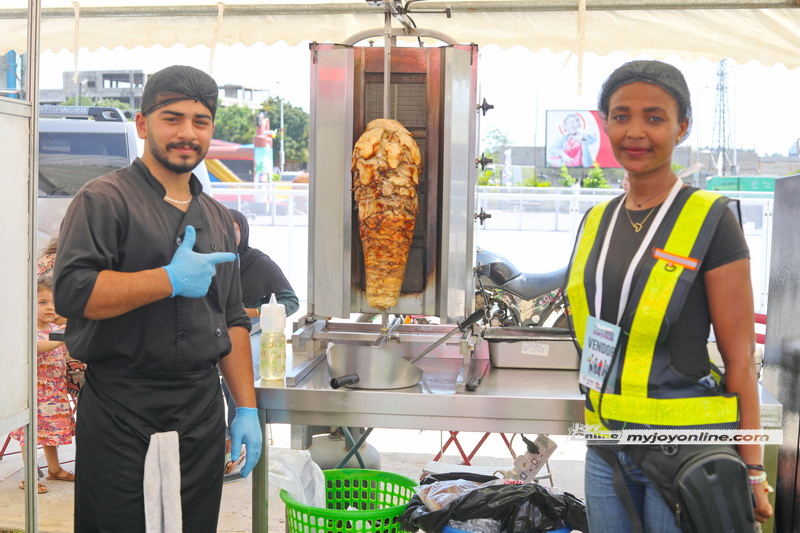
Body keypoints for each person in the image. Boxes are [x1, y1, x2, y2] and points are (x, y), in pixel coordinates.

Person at [564, 60, 773, 531]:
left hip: (685, 452)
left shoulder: (710, 219)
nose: (636, 132)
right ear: (606, 124)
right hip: (607, 448)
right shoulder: (596, 221)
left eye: (654, 117)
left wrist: (754, 469)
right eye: (621, 116)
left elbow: (740, 359)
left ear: (682, 128)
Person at [53, 65, 262, 532]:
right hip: (121, 405)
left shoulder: (217, 218)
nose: (187, 133)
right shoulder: (103, 200)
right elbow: (73, 292)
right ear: (143, 124)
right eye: (172, 118)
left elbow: (231, 318)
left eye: (200, 121)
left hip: (200, 409)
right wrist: (166, 280)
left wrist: (244, 407)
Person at [223, 208, 297, 475]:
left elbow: (291, 302)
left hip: (254, 332)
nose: (226, 234)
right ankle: (215, 441)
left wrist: (252, 312)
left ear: (243, 231)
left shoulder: (259, 263)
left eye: (232, 229)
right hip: (217, 330)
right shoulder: (212, 260)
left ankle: (237, 441)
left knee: (239, 376)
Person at [10, 275, 75, 495]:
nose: (50, 308)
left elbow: (63, 354)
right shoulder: (29, 330)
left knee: (51, 435)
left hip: (54, 393)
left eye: (54, 303)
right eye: (42, 302)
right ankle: (29, 476)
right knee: (30, 436)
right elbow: (39, 347)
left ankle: (54, 469)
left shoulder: (54, 330)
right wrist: (63, 335)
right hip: (34, 395)